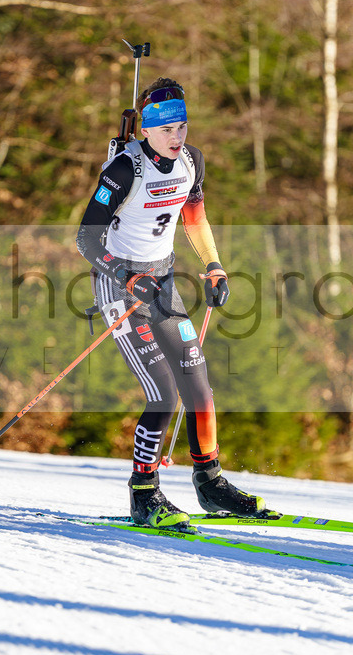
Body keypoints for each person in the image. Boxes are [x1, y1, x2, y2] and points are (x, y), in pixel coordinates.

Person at [76, 77, 266, 528]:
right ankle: (144, 494)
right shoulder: (124, 170)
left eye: (182, 126)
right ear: (146, 131)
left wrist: (215, 265)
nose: (177, 137)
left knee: (198, 384)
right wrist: (125, 276)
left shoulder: (191, 162)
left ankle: (210, 482)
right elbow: (85, 239)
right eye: (167, 130)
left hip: (161, 281)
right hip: (117, 284)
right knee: (163, 393)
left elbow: (195, 219)